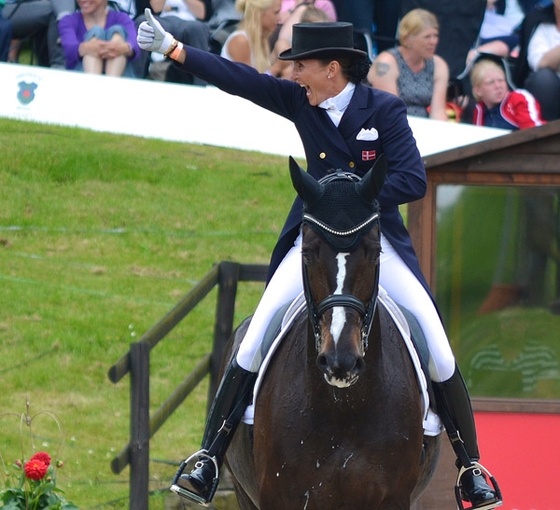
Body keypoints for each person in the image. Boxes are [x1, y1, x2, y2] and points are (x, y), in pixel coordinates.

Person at [137, 16, 503, 509]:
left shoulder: (386, 110)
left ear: (333, 69)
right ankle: (208, 456)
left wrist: (355, 199)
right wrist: (177, 50)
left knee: (435, 342)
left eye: (301, 66)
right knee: (256, 333)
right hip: (314, 245)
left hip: (375, 242)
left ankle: (471, 466)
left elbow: (413, 180)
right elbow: (244, 82)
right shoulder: (300, 102)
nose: (294, 76)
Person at [367, 8, 450, 120]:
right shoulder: (387, 63)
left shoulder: (439, 65)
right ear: (407, 39)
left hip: (426, 126)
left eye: (435, 36)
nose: (433, 42)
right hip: (392, 125)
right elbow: (390, 111)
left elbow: (438, 111)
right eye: (427, 37)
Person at [130, 0, 210, 83]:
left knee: (197, 29)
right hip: (163, 21)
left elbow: (202, 13)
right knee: (143, 23)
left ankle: (200, 85)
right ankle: (136, 79)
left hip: (190, 23)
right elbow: (155, 8)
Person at [58, 0, 140, 75]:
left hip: (120, 74)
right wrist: (88, 47)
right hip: (81, 76)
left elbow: (135, 46)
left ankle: (110, 83)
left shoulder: (122, 18)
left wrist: (120, 48)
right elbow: (69, 49)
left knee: (117, 31)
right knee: (96, 32)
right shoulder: (68, 20)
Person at [468, 54, 545, 128]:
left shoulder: (519, 98)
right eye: (491, 82)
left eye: (501, 80)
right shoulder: (479, 111)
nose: (498, 86)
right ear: (478, 90)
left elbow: (534, 132)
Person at [513, 0, 560, 120]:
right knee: (543, 78)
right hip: (551, 90)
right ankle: (549, 133)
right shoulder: (539, 21)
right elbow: (539, 62)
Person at [220, 0, 288, 76]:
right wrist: (277, 67)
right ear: (260, 13)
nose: (279, 19)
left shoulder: (262, 39)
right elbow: (249, 83)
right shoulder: (241, 40)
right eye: (276, 13)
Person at [3, 0, 75, 67]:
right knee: (54, 10)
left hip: (25, 6)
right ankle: (59, 67)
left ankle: (66, 24)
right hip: (5, 7)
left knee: (57, 8)